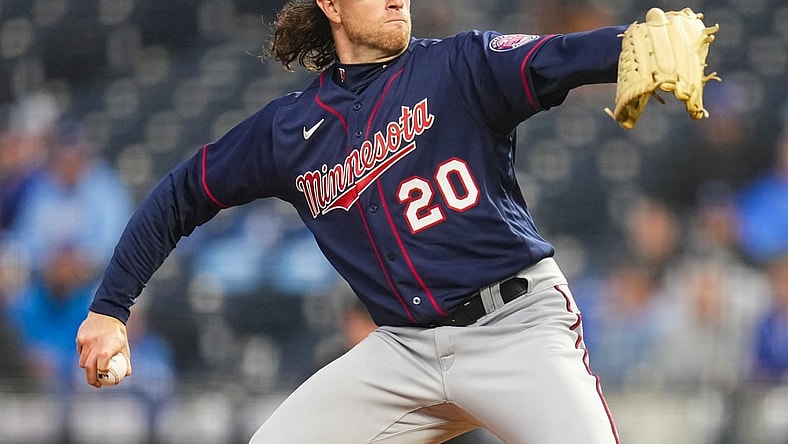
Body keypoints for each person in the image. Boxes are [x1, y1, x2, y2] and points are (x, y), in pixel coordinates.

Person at [76, 0, 632, 442]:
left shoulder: (459, 64)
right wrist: (109, 308)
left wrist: (628, 45)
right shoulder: (289, 130)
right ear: (332, 7)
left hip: (514, 328)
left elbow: (553, 56)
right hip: (405, 349)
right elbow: (182, 193)